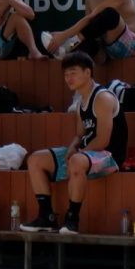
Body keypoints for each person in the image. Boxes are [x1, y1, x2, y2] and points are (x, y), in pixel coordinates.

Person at [19, 52, 127, 234]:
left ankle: (72, 219)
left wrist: (78, 154)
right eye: (66, 74)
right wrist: (72, 147)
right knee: (35, 160)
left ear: (88, 72)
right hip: (86, 154)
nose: (68, 78)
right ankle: (47, 217)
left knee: (77, 161)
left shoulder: (102, 98)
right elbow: (80, 134)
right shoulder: (80, 101)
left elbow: (103, 140)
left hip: (110, 156)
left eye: (73, 73)